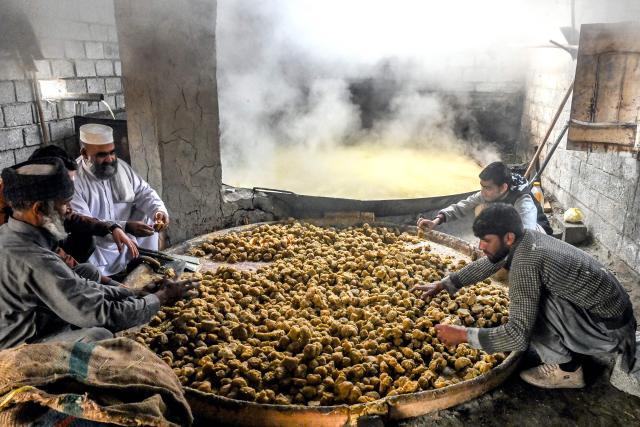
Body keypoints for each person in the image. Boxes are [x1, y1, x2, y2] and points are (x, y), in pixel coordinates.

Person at [411, 203, 639, 396]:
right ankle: (572, 347)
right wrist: (445, 284)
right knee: (529, 295)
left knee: (528, 306)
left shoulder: (526, 262)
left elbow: (518, 335)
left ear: (508, 237)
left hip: (610, 331)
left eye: (486, 240)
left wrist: (463, 335)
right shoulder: (527, 238)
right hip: (613, 315)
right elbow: (491, 262)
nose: (481, 246)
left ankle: (567, 370)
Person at [0, 157, 196, 349]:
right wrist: (160, 299)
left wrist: (132, 292)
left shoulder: (15, 232)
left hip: (35, 312)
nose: (69, 210)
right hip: (21, 343)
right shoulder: (35, 260)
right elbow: (104, 315)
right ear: (38, 209)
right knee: (99, 336)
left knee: (87, 272)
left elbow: (77, 284)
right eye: (65, 204)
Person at [71, 124, 169, 276]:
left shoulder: (121, 168)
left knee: (148, 213)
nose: (110, 159)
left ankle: (148, 264)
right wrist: (125, 227)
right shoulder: (74, 180)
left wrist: (159, 211)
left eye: (112, 152)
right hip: (99, 248)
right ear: (84, 153)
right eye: (102, 155)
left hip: (130, 241)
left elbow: (144, 192)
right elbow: (84, 222)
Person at [417, 162, 552, 234]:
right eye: (482, 186)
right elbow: (463, 206)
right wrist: (436, 221)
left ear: (504, 187)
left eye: (487, 188)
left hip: (539, 235)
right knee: (481, 207)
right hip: (515, 229)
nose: (483, 192)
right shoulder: (490, 192)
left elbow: (529, 234)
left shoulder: (523, 200)